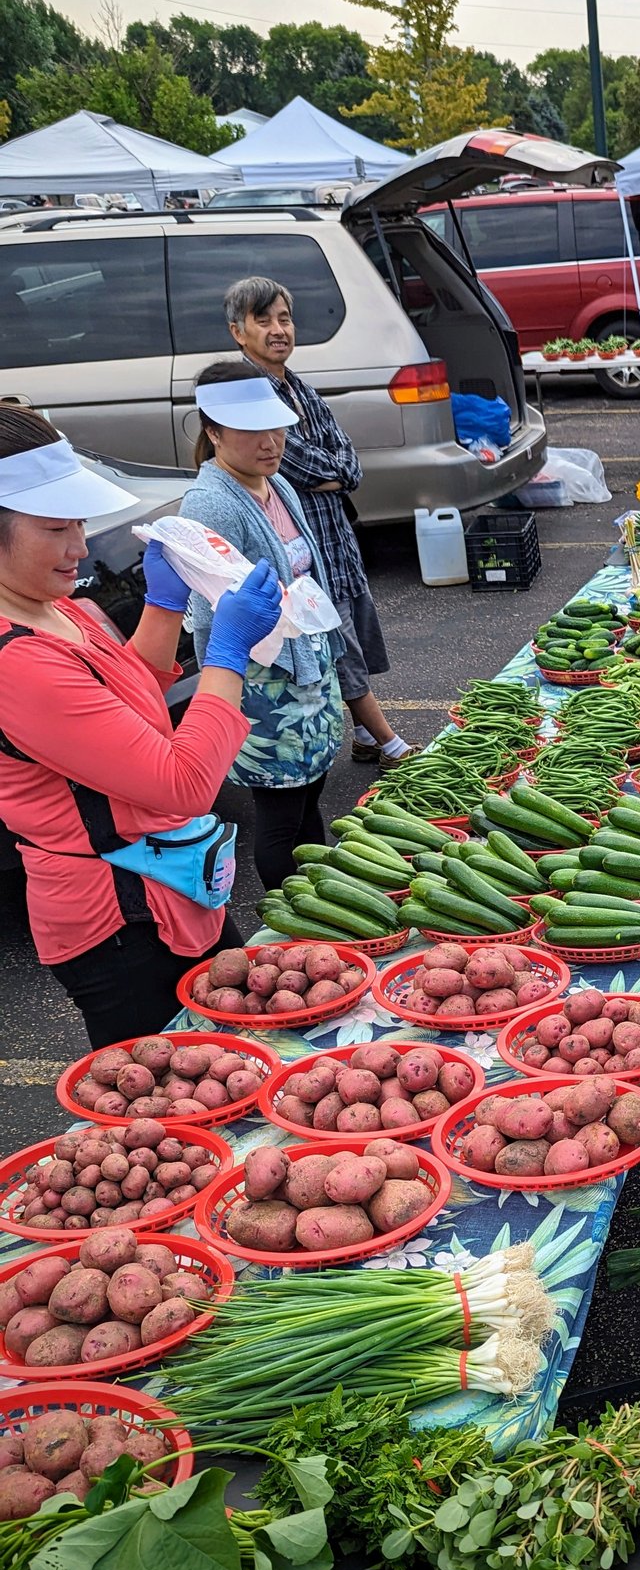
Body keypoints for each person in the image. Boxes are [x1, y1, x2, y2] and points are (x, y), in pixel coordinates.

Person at [0, 405, 283, 1044]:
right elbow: (180, 782)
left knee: (237, 1042)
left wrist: (163, 606)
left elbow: (131, 698)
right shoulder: (15, 663)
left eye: (77, 521)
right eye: (53, 529)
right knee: (164, 1095)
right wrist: (227, 653)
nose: (79, 546)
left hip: (173, 876)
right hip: (120, 916)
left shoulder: (62, 610)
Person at [223, 275, 412, 769]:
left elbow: (348, 461)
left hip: (335, 540)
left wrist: (337, 475)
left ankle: (366, 739)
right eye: (262, 321)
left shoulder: (296, 385)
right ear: (238, 332)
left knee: (353, 634)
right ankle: (390, 742)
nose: (277, 329)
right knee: (338, 642)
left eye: (284, 319)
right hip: (301, 548)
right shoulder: (249, 392)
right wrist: (336, 474)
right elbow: (298, 464)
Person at [178, 363, 346, 891]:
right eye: (251, 431)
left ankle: (321, 902)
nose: (271, 442)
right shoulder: (210, 503)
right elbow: (209, 616)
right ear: (213, 432)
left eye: (276, 427)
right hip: (262, 684)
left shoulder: (277, 486)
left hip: (306, 668)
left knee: (311, 792)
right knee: (279, 809)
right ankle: (288, 917)